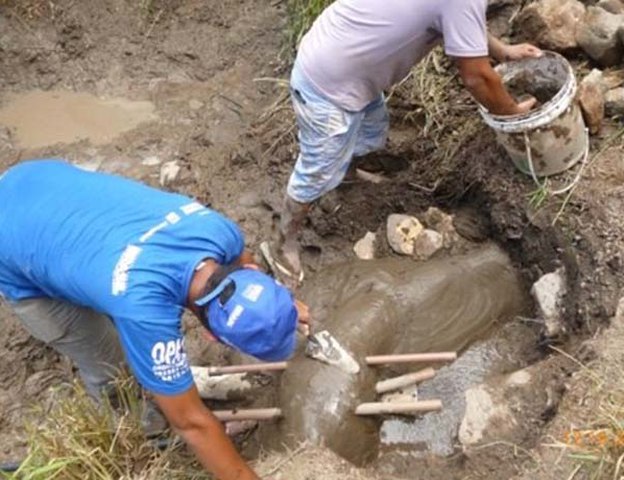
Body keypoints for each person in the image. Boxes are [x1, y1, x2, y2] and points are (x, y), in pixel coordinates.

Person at [0, 159, 309, 480]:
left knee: (114, 303)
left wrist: (281, 306)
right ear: (212, 336)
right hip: (11, 241)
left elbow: (245, 264)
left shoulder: (219, 230)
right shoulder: (145, 310)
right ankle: (141, 428)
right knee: (112, 369)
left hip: (36, 178)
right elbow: (190, 423)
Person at [263, 0, 543, 285]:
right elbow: (477, 77)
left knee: (370, 133)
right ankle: (284, 244)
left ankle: (345, 175)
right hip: (327, 87)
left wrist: (502, 51)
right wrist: (512, 114)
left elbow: (462, 22)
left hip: (345, 59)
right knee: (317, 172)